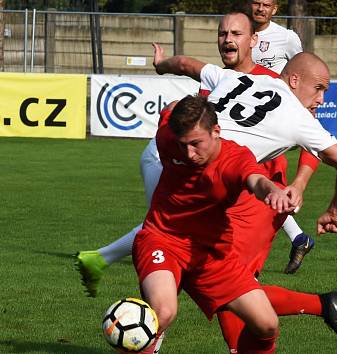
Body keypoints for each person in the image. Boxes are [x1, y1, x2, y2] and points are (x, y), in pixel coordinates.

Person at [75, 13, 315, 299]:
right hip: (171, 157)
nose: (227, 40)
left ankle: (101, 260)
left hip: (204, 166)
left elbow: (316, 143)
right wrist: (162, 65)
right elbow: (185, 67)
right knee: (171, 232)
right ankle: (128, 291)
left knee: (180, 232)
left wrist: (299, 184)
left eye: (236, 34)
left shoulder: (273, 86)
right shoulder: (219, 78)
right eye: (222, 33)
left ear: (253, 40)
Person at [151, 45, 337, 352]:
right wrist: (334, 210)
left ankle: (320, 306)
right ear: (293, 79)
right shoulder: (293, 113)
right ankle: (323, 304)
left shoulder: (237, 77)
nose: (322, 99)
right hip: (227, 193)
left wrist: (160, 65)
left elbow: (184, 63)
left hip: (254, 197)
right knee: (222, 285)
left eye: (237, 34)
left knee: (225, 285)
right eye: (318, 89)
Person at [135, 95, 294, 354]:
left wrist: (272, 192)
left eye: (196, 144)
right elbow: (169, 111)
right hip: (161, 238)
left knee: (267, 324)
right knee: (163, 312)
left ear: (216, 131)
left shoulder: (235, 159)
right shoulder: (168, 137)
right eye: (183, 145)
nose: (189, 153)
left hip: (211, 256)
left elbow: (256, 180)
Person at [249, 0, 303, 74]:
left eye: (266, 5)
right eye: (256, 4)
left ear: (274, 9)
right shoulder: (235, 33)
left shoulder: (287, 37)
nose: (260, 9)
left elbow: (299, 68)